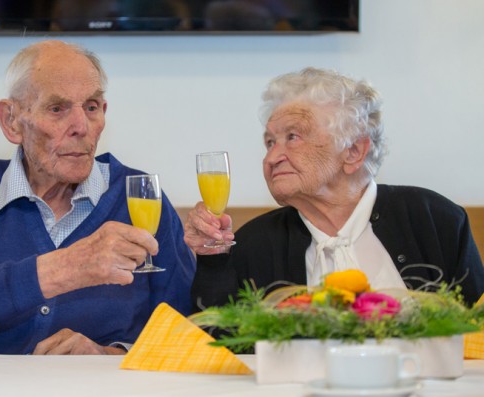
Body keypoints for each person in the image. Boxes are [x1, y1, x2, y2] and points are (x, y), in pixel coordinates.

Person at [0, 40, 195, 354]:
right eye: (57, 108)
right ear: (11, 121)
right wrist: (63, 268)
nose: (81, 126)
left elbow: (187, 330)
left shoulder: (140, 197)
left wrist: (110, 354)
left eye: (91, 107)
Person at [185, 67, 484, 309]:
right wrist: (213, 259)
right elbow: (219, 346)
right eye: (270, 142)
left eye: (293, 137)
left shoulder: (434, 221)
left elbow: (475, 338)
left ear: (353, 151)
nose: (272, 157)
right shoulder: (254, 244)